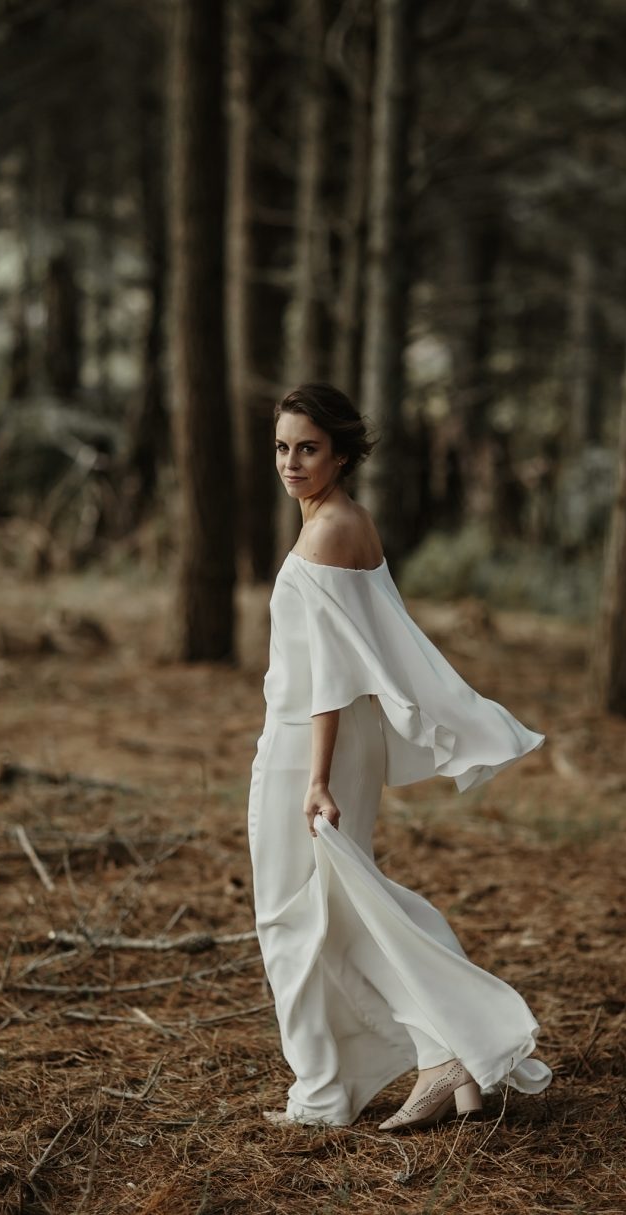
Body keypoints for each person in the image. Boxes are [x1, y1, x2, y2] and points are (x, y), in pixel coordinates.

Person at [248, 383, 552, 1130]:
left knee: (293, 916)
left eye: (308, 448)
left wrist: (316, 779)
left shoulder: (327, 532)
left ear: (343, 453)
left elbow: (329, 669)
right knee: (339, 908)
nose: (291, 461)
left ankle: (332, 1089)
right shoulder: (348, 520)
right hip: (341, 738)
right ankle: (442, 1050)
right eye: (283, 446)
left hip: (307, 744)